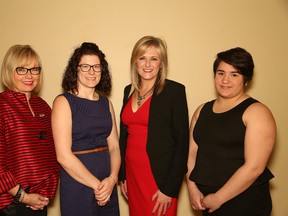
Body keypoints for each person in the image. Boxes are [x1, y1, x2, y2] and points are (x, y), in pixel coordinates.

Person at [186, 47, 276, 216]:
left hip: (245, 204)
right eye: (221, 73)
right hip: (207, 202)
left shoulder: (257, 112)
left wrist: (218, 198)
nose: (225, 80)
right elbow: (191, 154)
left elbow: (254, 167)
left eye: (234, 74)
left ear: (246, 79)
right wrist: (192, 188)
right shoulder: (202, 110)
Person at [119, 36, 189, 216]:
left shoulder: (174, 91)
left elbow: (182, 144)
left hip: (159, 178)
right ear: (135, 61)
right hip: (133, 176)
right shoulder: (128, 91)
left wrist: (169, 189)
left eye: (154, 58)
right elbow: (123, 137)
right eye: (142, 58)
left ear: (161, 63)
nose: (147, 64)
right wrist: (122, 175)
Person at [51, 42, 120, 216]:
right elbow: (63, 155)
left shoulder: (107, 104)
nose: (91, 72)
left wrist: (112, 180)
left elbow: (114, 147)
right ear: (75, 69)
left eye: (96, 67)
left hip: (107, 183)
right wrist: (98, 186)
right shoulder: (63, 102)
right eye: (85, 66)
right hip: (79, 184)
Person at [0, 45, 60, 216]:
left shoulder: (42, 105)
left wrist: (45, 195)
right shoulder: (2, 105)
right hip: (9, 204)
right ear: (9, 71)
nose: (29, 75)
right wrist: (23, 196)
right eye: (22, 69)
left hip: (38, 202)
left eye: (34, 69)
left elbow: (53, 152)